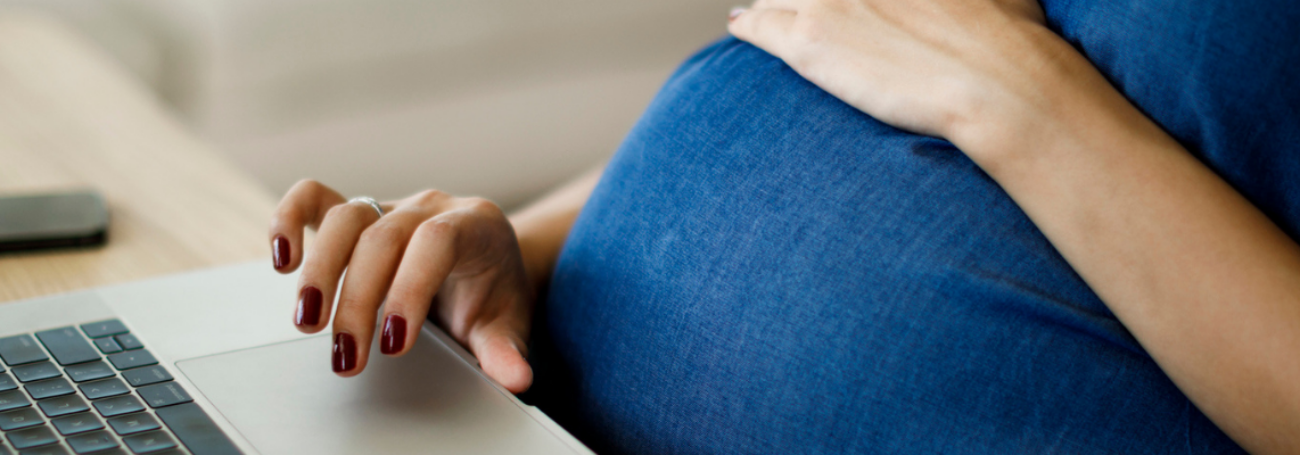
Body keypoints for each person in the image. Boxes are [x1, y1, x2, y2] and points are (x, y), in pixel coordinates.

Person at [266, 0, 1300, 453]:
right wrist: (516, 255)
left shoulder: (1013, 92)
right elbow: (851, 60)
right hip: (526, 408)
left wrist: (1017, 96)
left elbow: (976, 70)